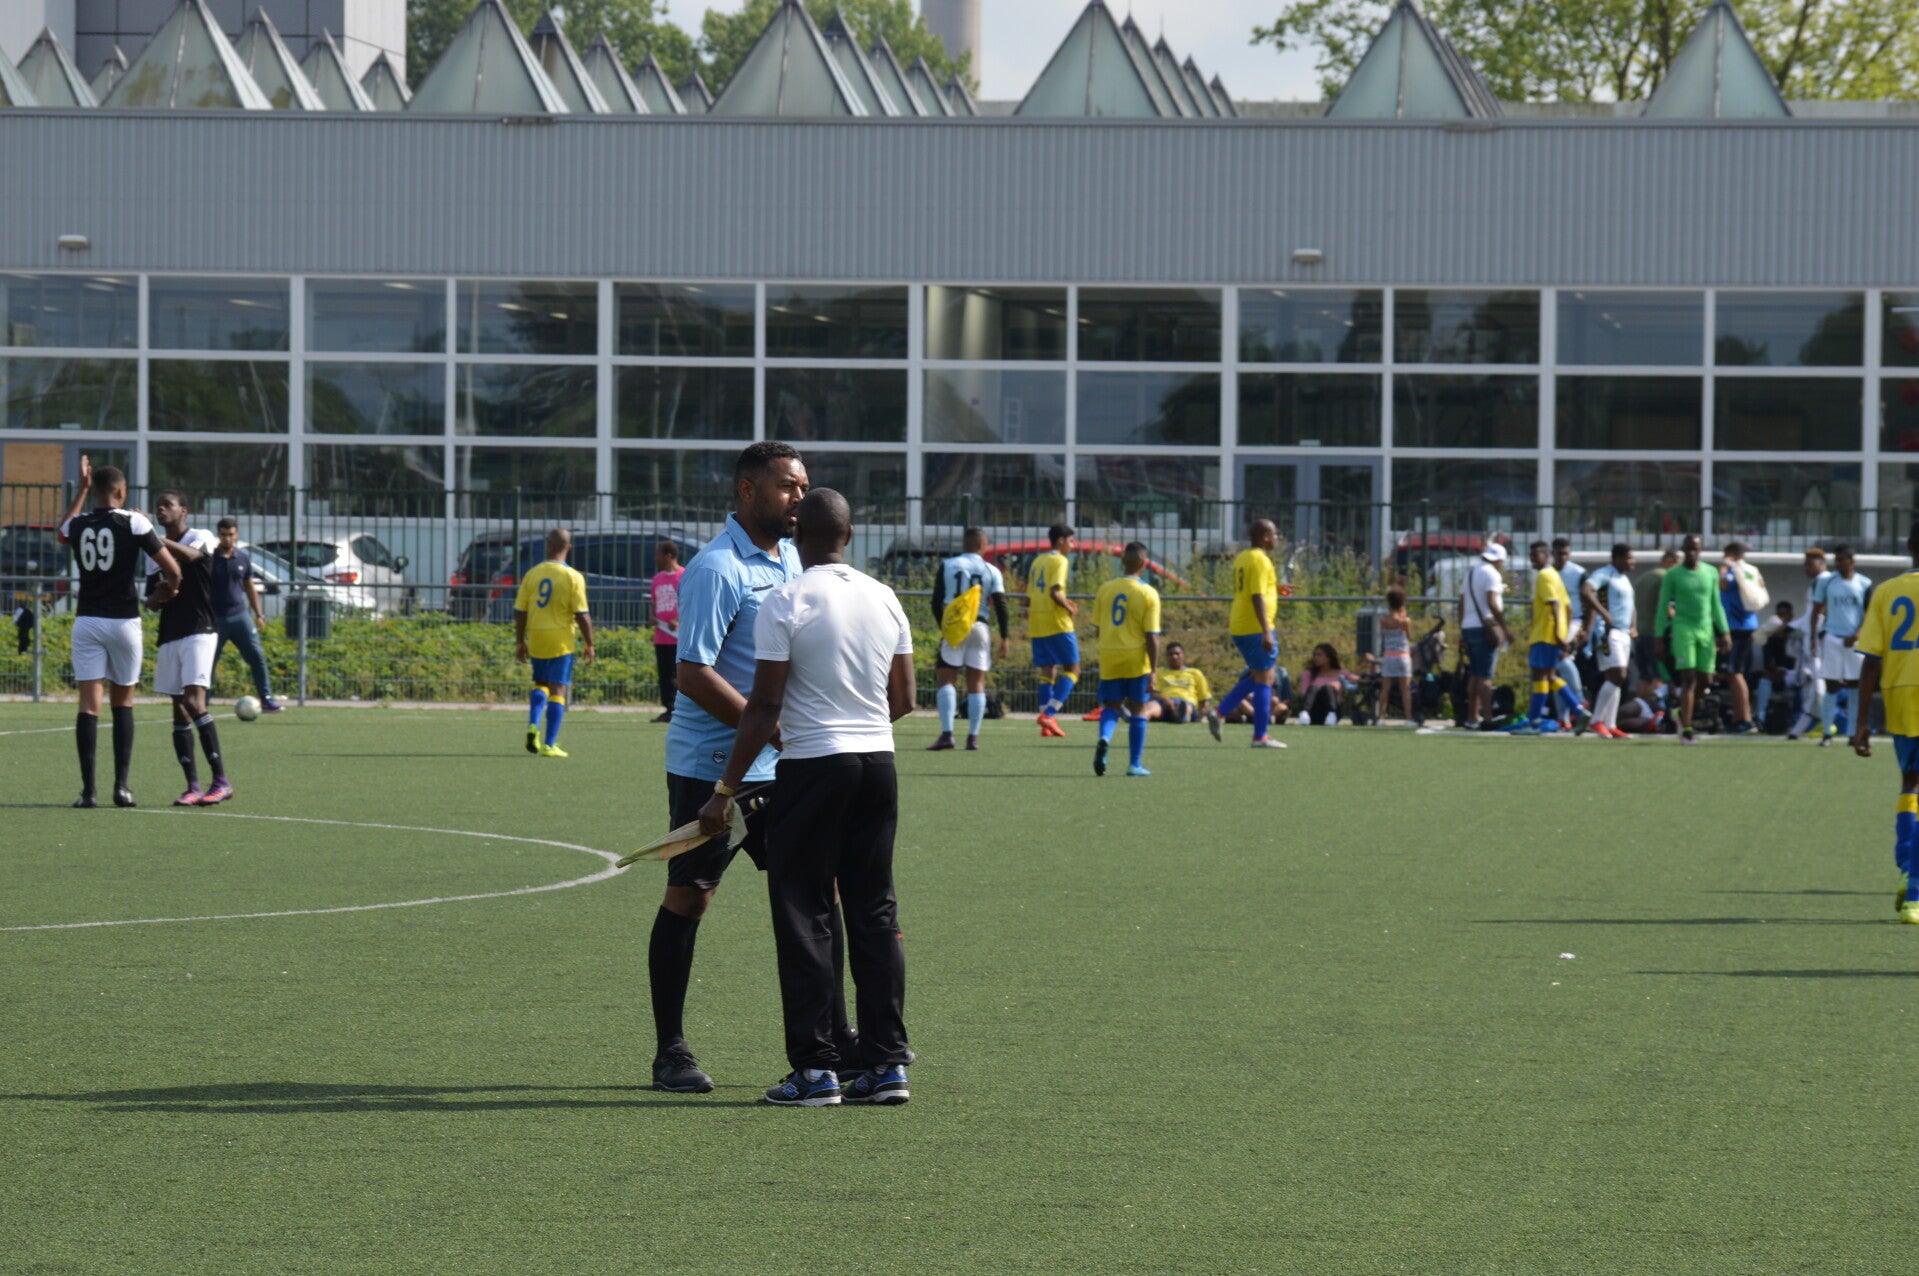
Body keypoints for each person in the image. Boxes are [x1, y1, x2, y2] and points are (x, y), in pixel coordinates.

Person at [696, 489, 918, 1105]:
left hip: (813, 767)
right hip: (879, 764)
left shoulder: (785, 599)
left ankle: (816, 1070)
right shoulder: (885, 596)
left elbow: (764, 704)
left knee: (804, 911)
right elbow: (904, 698)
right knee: (875, 911)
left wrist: (723, 791)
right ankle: (887, 1065)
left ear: (797, 534)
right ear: (849, 536)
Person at [653, 441, 848, 1096]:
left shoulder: (795, 558)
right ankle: (670, 1052)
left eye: (804, 486)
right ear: (747, 490)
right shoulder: (716, 568)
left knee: (820, 893)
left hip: (785, 763)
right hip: (712, 767)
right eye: (788, 486)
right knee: (691, 897)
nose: (800, 497)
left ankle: (837, 1038)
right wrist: (768, 727)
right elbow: (692, 673)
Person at [57, 456, 180, 808]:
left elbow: (61, 533)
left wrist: (80, 490)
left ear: (95, 490)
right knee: (123, 703)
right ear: (122, 492)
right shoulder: (134, 521)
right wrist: (169, 590)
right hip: (124, 621)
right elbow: (172, 569)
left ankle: (88, 792)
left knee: (88, 706)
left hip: (87, 621)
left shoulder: (79, 523)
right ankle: (122, 788)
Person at [1848, 519, 1919, 922]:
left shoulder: (1886, 591)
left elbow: (1871, 660)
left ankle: (1907, 862)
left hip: (1899, 694)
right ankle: (1915, 894)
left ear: (1909, 546)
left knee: (1911, 782)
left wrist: (1861, 721)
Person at [145, 492, 232, 807]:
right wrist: (159, 595)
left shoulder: (201, 536)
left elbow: (193, 557)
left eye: (167, 504)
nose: (161, 508)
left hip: (200, 629)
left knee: (195, 702)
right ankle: (192, 786)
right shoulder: (152, 554)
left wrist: (153, 538)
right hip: (171, 633)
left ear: (184, 510)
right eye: (157, 505)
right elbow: (151, 603)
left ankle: (221, 781)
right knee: (178, 709)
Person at [513, 528, 594, 759]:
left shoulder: (532, 574)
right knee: (558, 689)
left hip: (537, 635)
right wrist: (590, 643)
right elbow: (582, 614)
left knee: (540, 683)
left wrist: (520, 641)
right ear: (568, 547)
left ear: (548, 545)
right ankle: (549, 745)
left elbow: (520, 611)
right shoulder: (573, 577)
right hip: (561, 639)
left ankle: (533, 724)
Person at [927, 527, 1009, 752]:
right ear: (983, 545)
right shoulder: (992, 570)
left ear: (965, 544)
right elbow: (1001, 605)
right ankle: (973, 738)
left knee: (946, 679)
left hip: (955, 626)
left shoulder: (948, 565)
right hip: (980, 626)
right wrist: (1005, 637)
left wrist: (944, 626)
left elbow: (935, 601)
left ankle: (947, 734)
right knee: (977, 683)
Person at [1209, 519, 1286, 748]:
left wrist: (1276, 588)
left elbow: (1253, 588)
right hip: (1255, 627)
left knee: (1258, 676)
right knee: (1265, 678)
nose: (1277, 538)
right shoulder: (1261, 560)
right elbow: (1256, 596)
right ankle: (1260, 736)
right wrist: (1266, 631)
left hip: (1240, 624)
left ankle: (1219, 711)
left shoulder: (1244, 557)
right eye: (1275, 534)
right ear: (1265, 536)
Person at [1091, 542, 1161, 777]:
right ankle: (1134, 764)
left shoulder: (1105, 589)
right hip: (1136, 658)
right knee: (1138, 709)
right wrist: (1154, 669)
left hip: (1109, 654)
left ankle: (1105, 737)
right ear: (1143, 563)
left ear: (1122, 561)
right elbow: (1152, 636)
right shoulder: (1148, 593)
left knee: (1111, 706)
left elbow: (1098, 628)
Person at [1655, 534, 1731, 745]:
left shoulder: (1710, 572)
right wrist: (1659, 637)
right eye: (1687, 549)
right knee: (1688, 678)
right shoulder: (1673, 575)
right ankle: (1687, 729)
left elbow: (1716, 604)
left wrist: (1724, 631)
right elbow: (1662, 606)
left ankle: (1681, 711)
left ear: (1700, 550)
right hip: (1683, 628)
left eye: (1694, 549)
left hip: (1705, 629)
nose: (1691, 553)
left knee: (1706, 680)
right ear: (1682, 550)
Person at [207, 517, 282, 712]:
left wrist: (259, 615)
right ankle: (202, 700)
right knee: (209, 661)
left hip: (240, 617)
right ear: (218, 535)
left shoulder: (242, 558)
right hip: (216, 618)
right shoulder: (210, 559)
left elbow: (249, 587)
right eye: (223, 535)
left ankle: (266, 698)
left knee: (257, 656)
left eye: (231, 534)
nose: (227, 538)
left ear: (236, 535)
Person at [1507, 541, 1575, 735]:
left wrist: (1557, 634)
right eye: (1531, 555)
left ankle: (1535, 722)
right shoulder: (1555, 575)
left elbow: (1554, 604)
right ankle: (1578, 709)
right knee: (1549, 676)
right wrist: (1564, 633)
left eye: (1536, 555)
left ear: (1546, 555)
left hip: (1544, 634)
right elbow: (1569, 608)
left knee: (1540, 676)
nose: (1532, 559)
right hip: (1550, 634)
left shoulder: (1545, 575)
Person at [1811, 544, 1872, 747]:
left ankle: (1852, 733)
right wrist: (1813, 639)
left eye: (1841, 560)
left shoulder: (1864, 583)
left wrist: (1857, 633)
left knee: (1855, 685)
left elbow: (1870, 614)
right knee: (1831, 685)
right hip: (1833, 637)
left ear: (1851, 561)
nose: (1837, 564)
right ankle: (1827, 733)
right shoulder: (1826, 582)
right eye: (1835, 560)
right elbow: (1816, 610)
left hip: (1854, 640)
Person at [1027, 523, 1080, 736]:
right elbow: (1054, 592)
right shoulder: (1060, 560)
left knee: (1048, 671)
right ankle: (1049, 714)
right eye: (1071, 541)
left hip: (1037, 622)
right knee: (1073, 669)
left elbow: (1029, 595)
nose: (1073, 546)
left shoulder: (1037, 560)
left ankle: (1046, 726)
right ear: (1061, 540)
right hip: (1057, 623)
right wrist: (1069, 607)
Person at [1584, 543, 1638, 739]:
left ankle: (1610, 724)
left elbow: (1631, 605)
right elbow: (1586, 590)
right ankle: (1595, 720)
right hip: (1609, 632)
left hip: (1624, 633)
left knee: (1615, 679)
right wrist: (1604, 613)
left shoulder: (1624, 579)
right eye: (1629, 558)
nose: (1633, 561)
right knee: (1618, 675)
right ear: (1617, 558)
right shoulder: (1605, 574)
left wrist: (1634, 625)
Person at [1457, 541, 1512, 729]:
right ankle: (1487, 718)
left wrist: (1461, 629)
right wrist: (1504, 628)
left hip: (1469, 627)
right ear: (1499, 560)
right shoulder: (1492, 574)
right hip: (1485, 628)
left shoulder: (1470, 572)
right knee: (1485, 677)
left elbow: (1461, 603)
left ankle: (1472, 718)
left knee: (1474, 675)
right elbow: (1491, 602)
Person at [1717, 542, 1761, 733]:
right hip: (1747, 625)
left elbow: (1722, 584)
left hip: (1735, 626)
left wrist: (1723, 568)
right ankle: (1737, 718)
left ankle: (1746, 719)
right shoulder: (1750, 571)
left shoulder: (1733, 571)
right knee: (1734, 673)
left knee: (1735, 673)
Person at [1789, 548, 1831, 739]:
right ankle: (1803, 728)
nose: (1806, 568)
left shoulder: (1824, 581)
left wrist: (1790, 628)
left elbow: (1820, 614)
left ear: (1821, 563)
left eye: (1810, 564)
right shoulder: (1816, 583)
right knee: (1810, 687)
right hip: (1811, 640)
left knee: (1819, 687)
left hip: (1819, 642)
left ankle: (1824, 724)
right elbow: (1809, 616)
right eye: (1805, 564)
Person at [1550, 537, 1592, 728]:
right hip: (1553, 624)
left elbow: (1589, 603)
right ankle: (1563, 717)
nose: (1562, 557)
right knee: (1556, 670)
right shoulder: (1548, 573)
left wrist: (1586, 629)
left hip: (1573, 622)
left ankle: (1580, 701)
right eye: (1559, 553)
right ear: (1553, 553)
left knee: (1562, 658)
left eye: (1566, 554)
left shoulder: (1578, 573)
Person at [1634, 546, 1679, 684]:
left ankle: (1643, 699)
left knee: (1644, 678)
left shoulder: (1644, 577)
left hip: (1640, 633)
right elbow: (1664, 604)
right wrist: (1678, 619)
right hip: (1655, 635)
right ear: (1672, 561)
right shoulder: (1665, 577)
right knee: (1660, 677)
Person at [650, 540, 683, 724]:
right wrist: (652, 618)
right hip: (661, 636)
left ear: (669, 556)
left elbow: (691, 603)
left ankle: (680, 710)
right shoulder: (657, 579)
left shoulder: (684, 576)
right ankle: (669, 709)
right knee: (664, 676)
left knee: (678, 676)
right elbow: (653, 604)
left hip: (679, 637)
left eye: (658, 554)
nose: (656, 558)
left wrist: (678, 620)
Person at [1378, 586, 1416, 723]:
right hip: (1403, 656)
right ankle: (1408, 718)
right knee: (1405, 689)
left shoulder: (1383, 619)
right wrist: (1403, 614)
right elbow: (1409, 636)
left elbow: (1384, 631)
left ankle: (1381, 718)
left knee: (1385, 689)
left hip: (1389, 656)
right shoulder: (1405, 621)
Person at [1148, 641, 1211, 723]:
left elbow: (1205, 699)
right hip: (1164, 704)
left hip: (1186, 703)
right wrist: (1166, 700)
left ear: (1183, 655)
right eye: (1170, 654)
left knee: (1185, 708)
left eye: (1177, 654)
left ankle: (1181, 716)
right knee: (1150, 707)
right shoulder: (1159, 672)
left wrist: (1201, 717)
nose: (1174, 657)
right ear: (1166, 657)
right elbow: (1153, 693)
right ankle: (1137, 719)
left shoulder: (1195, 673)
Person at [1297, 643, 1359, 726]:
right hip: (1314, 710)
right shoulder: (1308, 673)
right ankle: (1304, 714)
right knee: (1313, 688)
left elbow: (1357, 679)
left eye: (1319, 655)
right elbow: (1304, 694)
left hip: (1333, 710)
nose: (1315, 658)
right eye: (1315, 655)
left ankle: (1331, 714)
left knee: (1327, 688)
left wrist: (1365, 667)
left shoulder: (1341, 673)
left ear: (1329, 658)